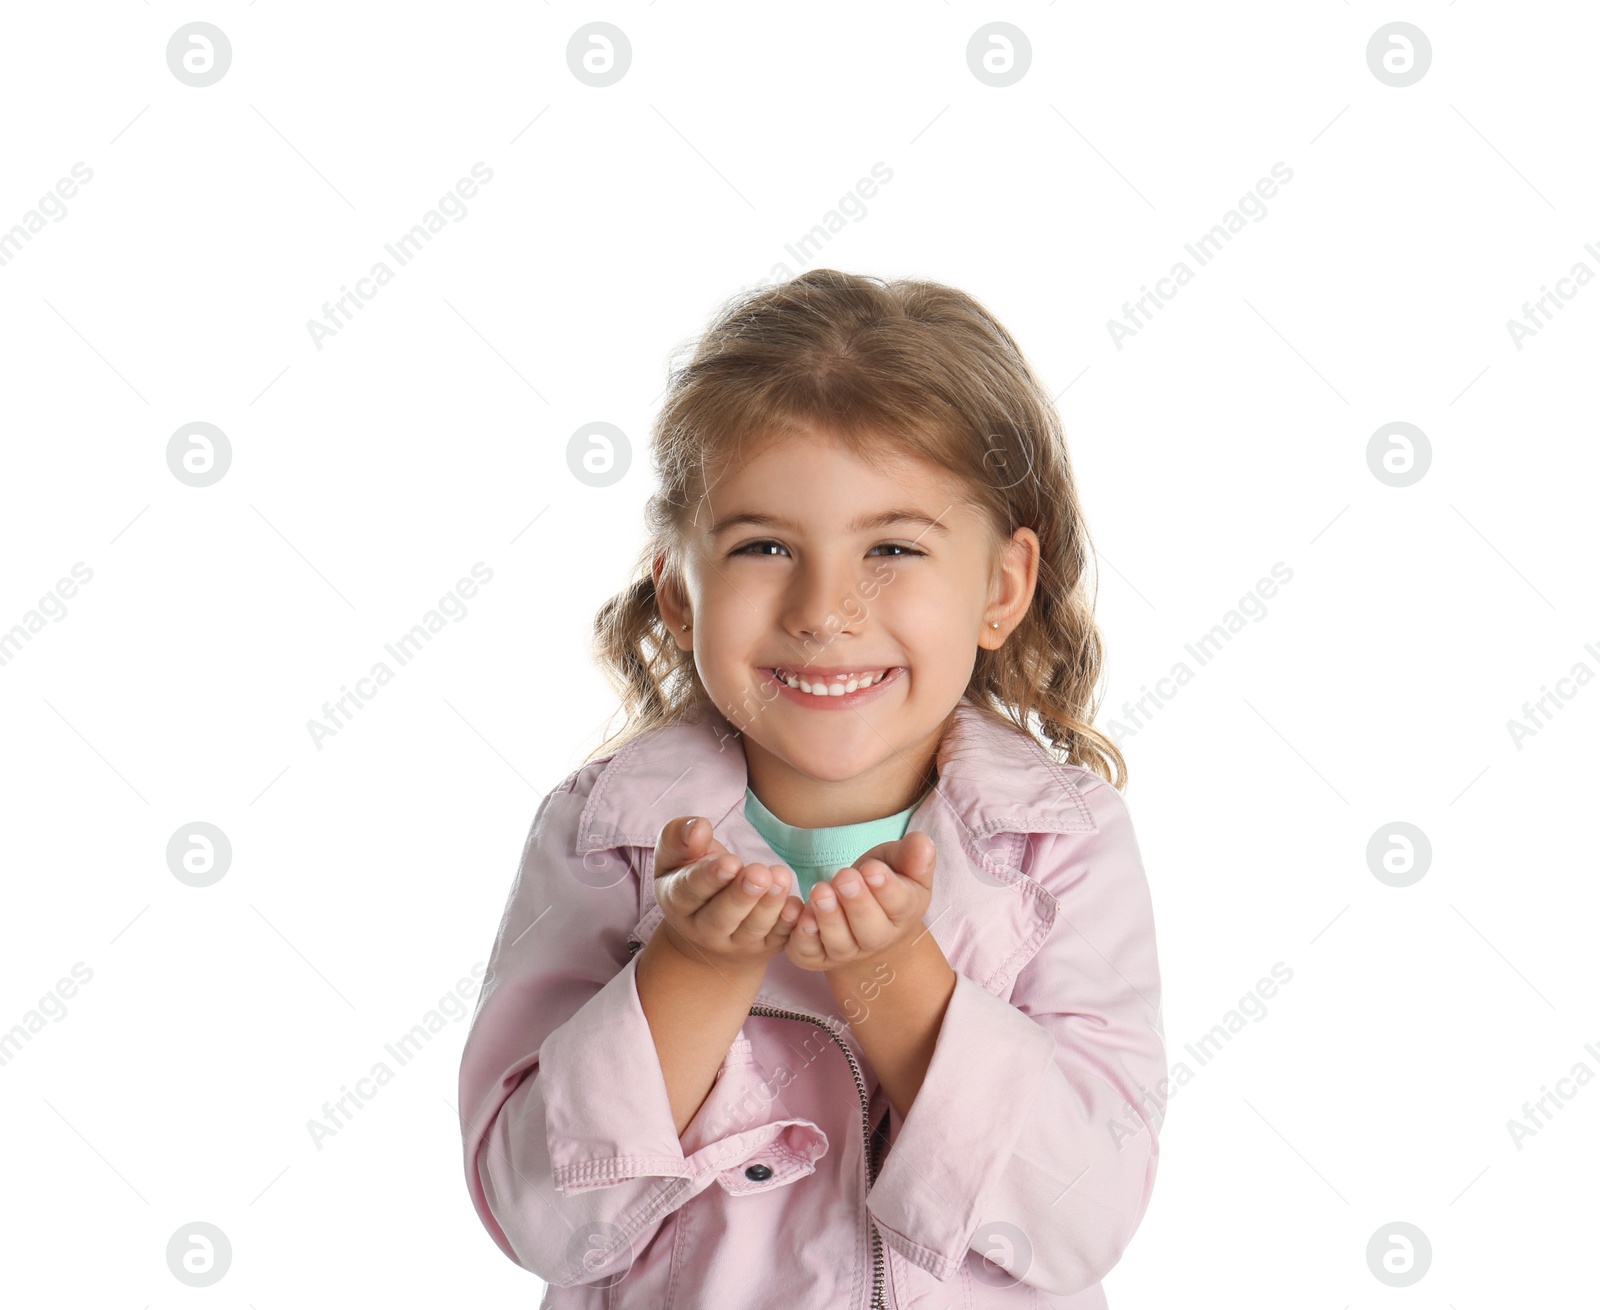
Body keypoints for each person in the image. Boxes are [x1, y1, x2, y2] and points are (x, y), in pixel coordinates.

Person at [457, 269, 1167, 1308]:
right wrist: (690, 966)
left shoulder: (1059, 843)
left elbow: (1078, 1215)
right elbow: (539, 1217)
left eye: (891, 547)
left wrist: (893, 977)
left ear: (1001, 587)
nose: (824, 608)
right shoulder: (604, 833)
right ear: (676, 585)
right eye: (763, 546)